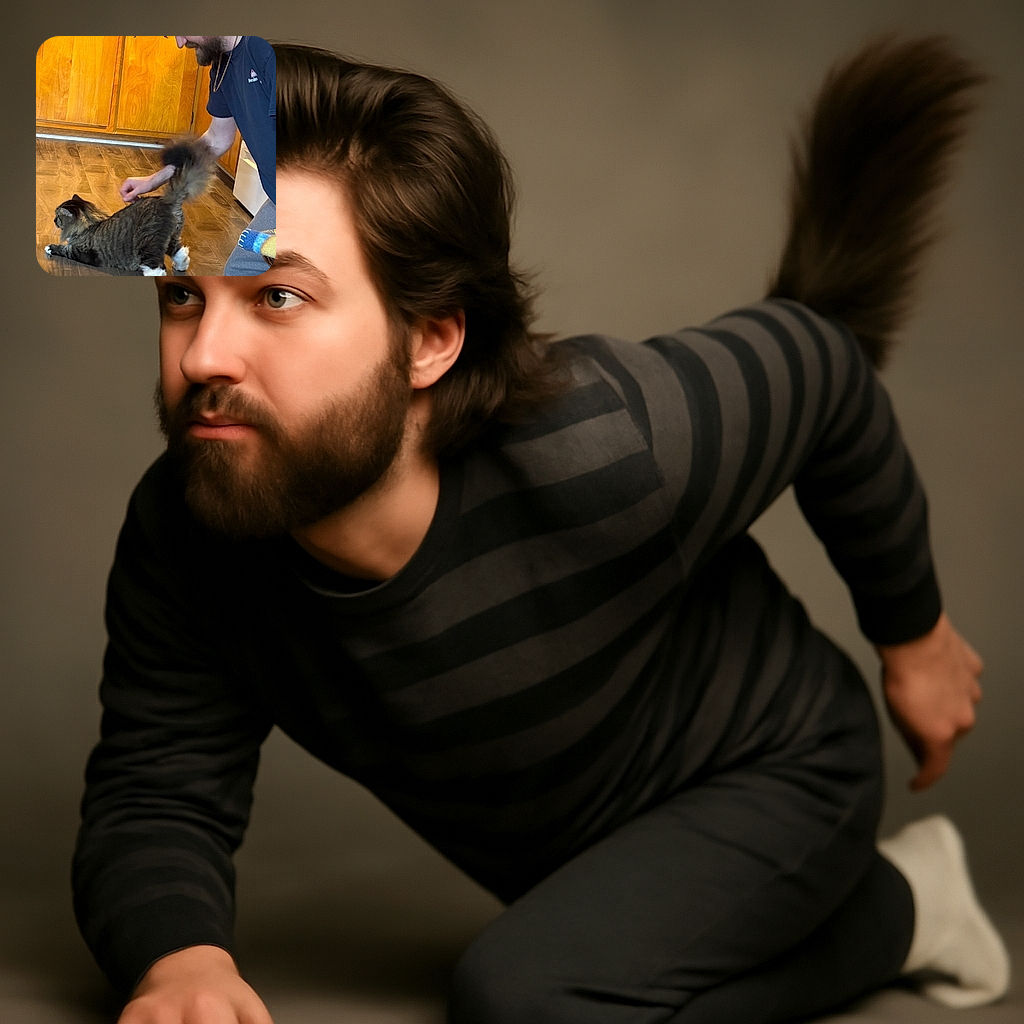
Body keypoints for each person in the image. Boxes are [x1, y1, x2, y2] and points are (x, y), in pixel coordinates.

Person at [74, 39, 1010, 1024]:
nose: (204, 355)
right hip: (571, 851)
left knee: (527, 1000)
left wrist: (913, 636)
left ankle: (904, 909)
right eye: (182, 295)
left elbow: (824, 366)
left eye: (277, 296)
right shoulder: (188, 529)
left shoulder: (610, 442)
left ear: (430, 339)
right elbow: (154, 791)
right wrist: (179, 963)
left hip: (779, 771)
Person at [119, 36, 276, 276]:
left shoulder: (265, 49)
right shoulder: (222, 67)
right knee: (239, 271)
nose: (180, 43)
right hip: (280, 199)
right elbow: (216, 138)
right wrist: (153, 180)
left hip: (316, 201)